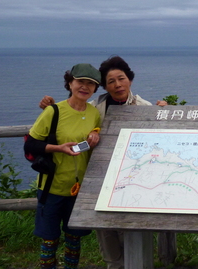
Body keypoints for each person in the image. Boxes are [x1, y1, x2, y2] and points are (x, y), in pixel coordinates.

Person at [39, 55, 166, 269]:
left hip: (134, 178)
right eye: (111, 81)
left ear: (130, 80)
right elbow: (69, 115)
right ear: (104, 86)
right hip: (100, 178)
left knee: (132, 226)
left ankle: (135, 263)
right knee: (105, 228)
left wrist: (165, 111)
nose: (117, 85)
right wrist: (49, 106)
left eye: (121, 78)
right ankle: (113, 265)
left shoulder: (145, 107)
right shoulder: (93, 108)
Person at [25, 63, 102, 269]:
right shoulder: (54, 111)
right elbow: (31, 143)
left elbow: (93, 135)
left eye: (91, 84)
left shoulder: (94, 113)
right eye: (80, 82)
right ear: (70, 83)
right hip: (52, 186)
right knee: (49, 240)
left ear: (95, 89)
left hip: (78, 189)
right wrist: (58, 148)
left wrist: (95, 135)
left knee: (74, 239)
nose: (84, 87)